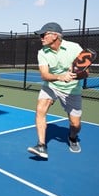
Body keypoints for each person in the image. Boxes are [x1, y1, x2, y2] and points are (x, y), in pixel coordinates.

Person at [27, 22, 84, 159]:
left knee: (75, 124)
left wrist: (76, 74)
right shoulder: (42, 52)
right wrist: (61, 77)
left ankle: (72, 137)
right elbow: (44, 75)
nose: (41, 38)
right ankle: (41, 146)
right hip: (51, 86)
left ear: (55, 36)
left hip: (72, 90)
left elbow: (87, 72)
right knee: (40, 109)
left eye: (43, 34)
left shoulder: (75, 48)